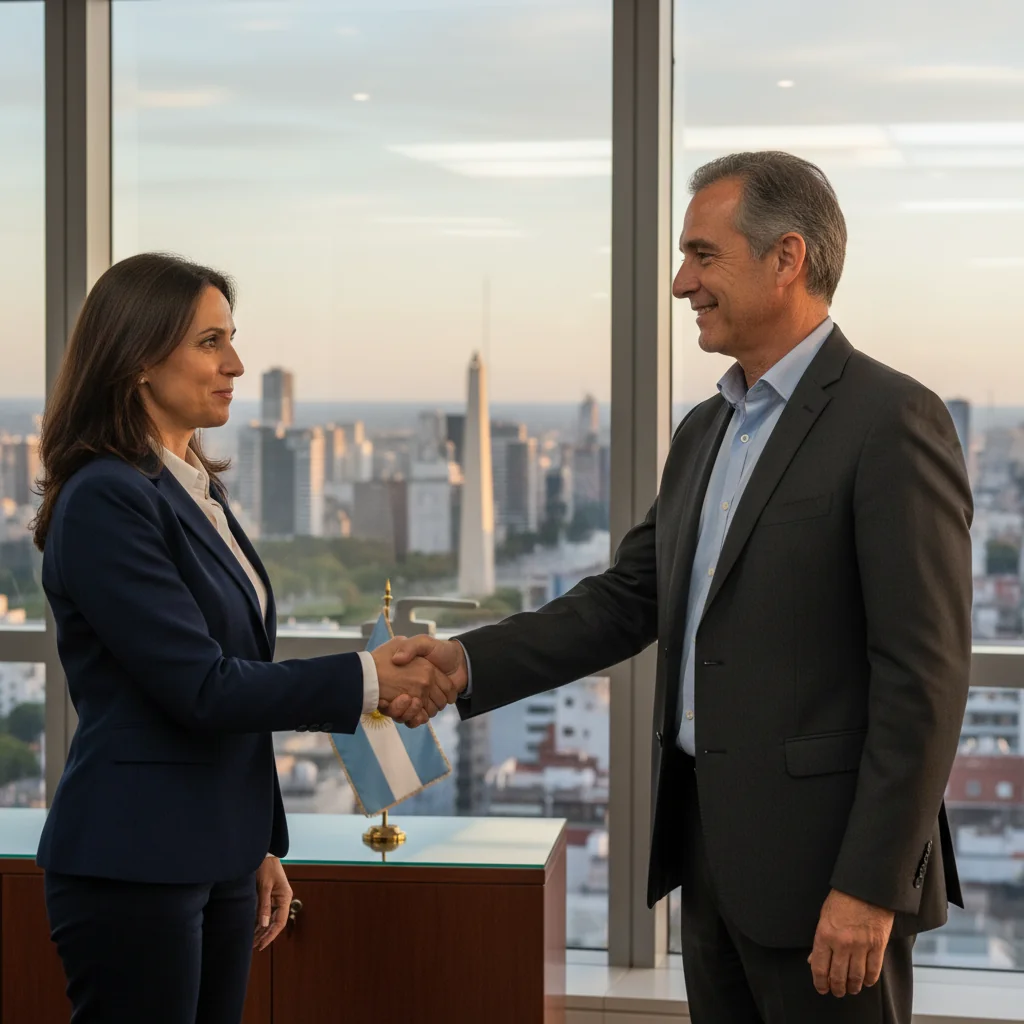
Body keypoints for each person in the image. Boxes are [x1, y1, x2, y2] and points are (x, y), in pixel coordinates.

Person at [393, 152, 973, 1023]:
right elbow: (626, 599)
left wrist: (870, 886)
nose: (679, 283)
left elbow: (923, 680)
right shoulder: (706, 429)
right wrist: (463, 663)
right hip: (709, 864)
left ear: (787, 259)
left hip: (829, 882)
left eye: (703, 255)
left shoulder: (892, 420)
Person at [33, 252, 456, 1024]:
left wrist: (255, 845)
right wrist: (370, 679)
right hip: (137, 859)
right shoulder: (106, 498)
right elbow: (202, 686)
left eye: (232, 339)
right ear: (136, 359)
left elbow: (232, 673)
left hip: (214, 853)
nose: (234, 364)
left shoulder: (194, 489)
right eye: (209, 342)